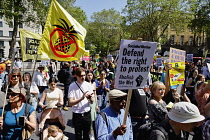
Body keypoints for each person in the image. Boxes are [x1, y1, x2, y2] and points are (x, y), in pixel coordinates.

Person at [68, 67, 94, 140]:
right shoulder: (72, 86)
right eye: (80, 76)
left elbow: (92, 101)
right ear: (76, 76)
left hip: (87, 113)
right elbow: (70, 103)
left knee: (87, 135)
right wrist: (81, 98)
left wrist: (90, 98)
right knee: (78, 135)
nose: (83, 77)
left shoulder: (88, 85)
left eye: (84, 75)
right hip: (77, 114)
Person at [85, 70, 98, 140]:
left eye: (91, 75)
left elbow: (95, 94)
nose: (90, 77)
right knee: (88, 118)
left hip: (93, 103)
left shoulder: (94, 83)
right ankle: (89, 133)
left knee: (93, 119)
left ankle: (92, 133)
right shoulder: (85, 83)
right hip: (86, 102)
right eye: (88, 75)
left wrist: (96, 105)